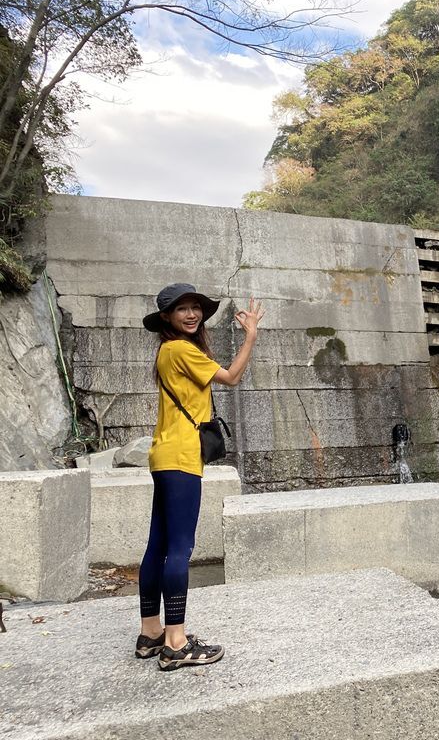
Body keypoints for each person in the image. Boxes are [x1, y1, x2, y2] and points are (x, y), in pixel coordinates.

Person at [136, 283, 263, 671]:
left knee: (157, 545)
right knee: (179, 549)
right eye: (182, 310)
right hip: (181, 458)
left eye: (195, 308)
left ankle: (152, 632)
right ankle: (176, 642)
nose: (191, 314)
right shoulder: (180, 349)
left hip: (164, 454)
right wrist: (251, 336)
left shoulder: (167, 352)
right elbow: (231, 377)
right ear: (166, 318)